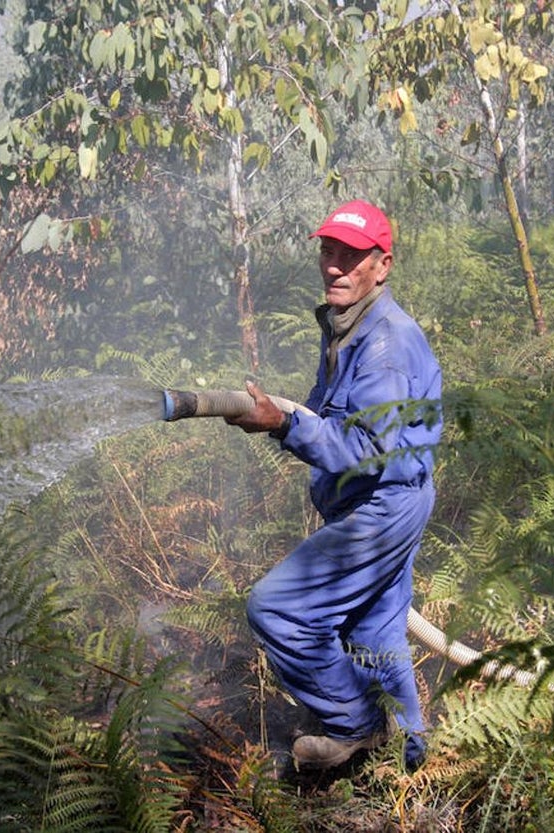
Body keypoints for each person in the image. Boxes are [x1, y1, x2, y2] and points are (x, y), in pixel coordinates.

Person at [226, 199, 442, 772]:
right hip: (383, 500)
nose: (336, 266)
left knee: (278, 609)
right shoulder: (351, 327)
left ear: (383, 265)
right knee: (374, 629)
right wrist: (286, 418)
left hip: (381, 505)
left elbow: (366, 450)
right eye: (328, 251)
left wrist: (284, 423)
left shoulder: (387, 344)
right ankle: (407, 763)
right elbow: (334, 419)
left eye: (352, 255)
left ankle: (359, 726)